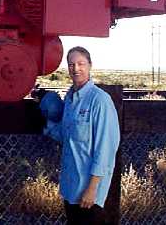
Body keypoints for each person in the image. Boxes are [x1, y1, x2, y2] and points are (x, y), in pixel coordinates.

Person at [42, 46, 120, 224]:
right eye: (71, 64)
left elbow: (106, 149)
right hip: (71, 189)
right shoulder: (70, 99)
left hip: (89, 191)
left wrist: (92, 188)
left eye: (80, 63)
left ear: (90, 65)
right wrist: (46, 121)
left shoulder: (99, 100)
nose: (76, 69)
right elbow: (66, 136)